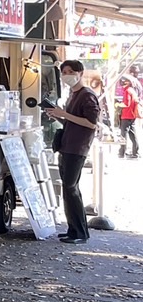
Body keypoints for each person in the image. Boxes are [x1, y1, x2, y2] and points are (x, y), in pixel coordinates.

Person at [44, 59, 100, 245]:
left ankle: (80, 232)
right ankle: (73, 229)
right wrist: (58, 116)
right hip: (67, 145)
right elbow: (73, 122)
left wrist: (64, 115)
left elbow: (91, 123)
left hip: (77, 147)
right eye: (64, 72)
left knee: (70, 187)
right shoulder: (72, 94)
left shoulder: (87, 96)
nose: (66, 75)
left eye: (69, 71)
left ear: (80, 73)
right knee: (69, 188)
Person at [117, 69, 139, 160]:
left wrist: (118, 104)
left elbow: (127, 104)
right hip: (132, 116)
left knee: (123, 135)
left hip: (126, 116)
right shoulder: (133, 91)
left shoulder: (127, 91)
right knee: (133, 135)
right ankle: (135, 152)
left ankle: (122, 152)